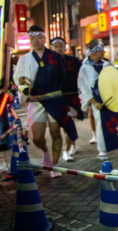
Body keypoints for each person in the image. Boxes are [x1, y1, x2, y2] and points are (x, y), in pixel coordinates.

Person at [14, 25, 78, 178]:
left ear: (44, 38)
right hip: (36, 100)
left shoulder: (55, 57)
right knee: (36, 137)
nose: (36, 41)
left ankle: (54, 166)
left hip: (55, 98)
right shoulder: (24, 59)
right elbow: (19, 79)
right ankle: (45, 152)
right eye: (32, 38)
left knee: (56, 132)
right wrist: (23, 83)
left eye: (39, 37)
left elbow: (63, 77)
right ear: (29, 39)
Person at [78, 40, 118, 160]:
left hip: (112, 97)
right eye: (101, 50)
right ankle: (102, 150)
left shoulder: (106, 64)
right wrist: (94, 102)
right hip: (98, 100)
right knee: (102, 124)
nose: (104, 52)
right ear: (95, 52)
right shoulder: (85, 68)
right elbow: (84, 88)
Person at [50, 37, 84, 162]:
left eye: (61, 45)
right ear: (52, 48)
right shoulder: (49, 62)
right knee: (56, 128)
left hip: (71, 97)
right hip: (54, 98)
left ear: (65, 47)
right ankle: (72, 144)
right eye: (56, 46)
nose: (59, 48)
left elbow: (81, 78)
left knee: (68, 123)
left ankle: (66, 150)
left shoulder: (74, 61)